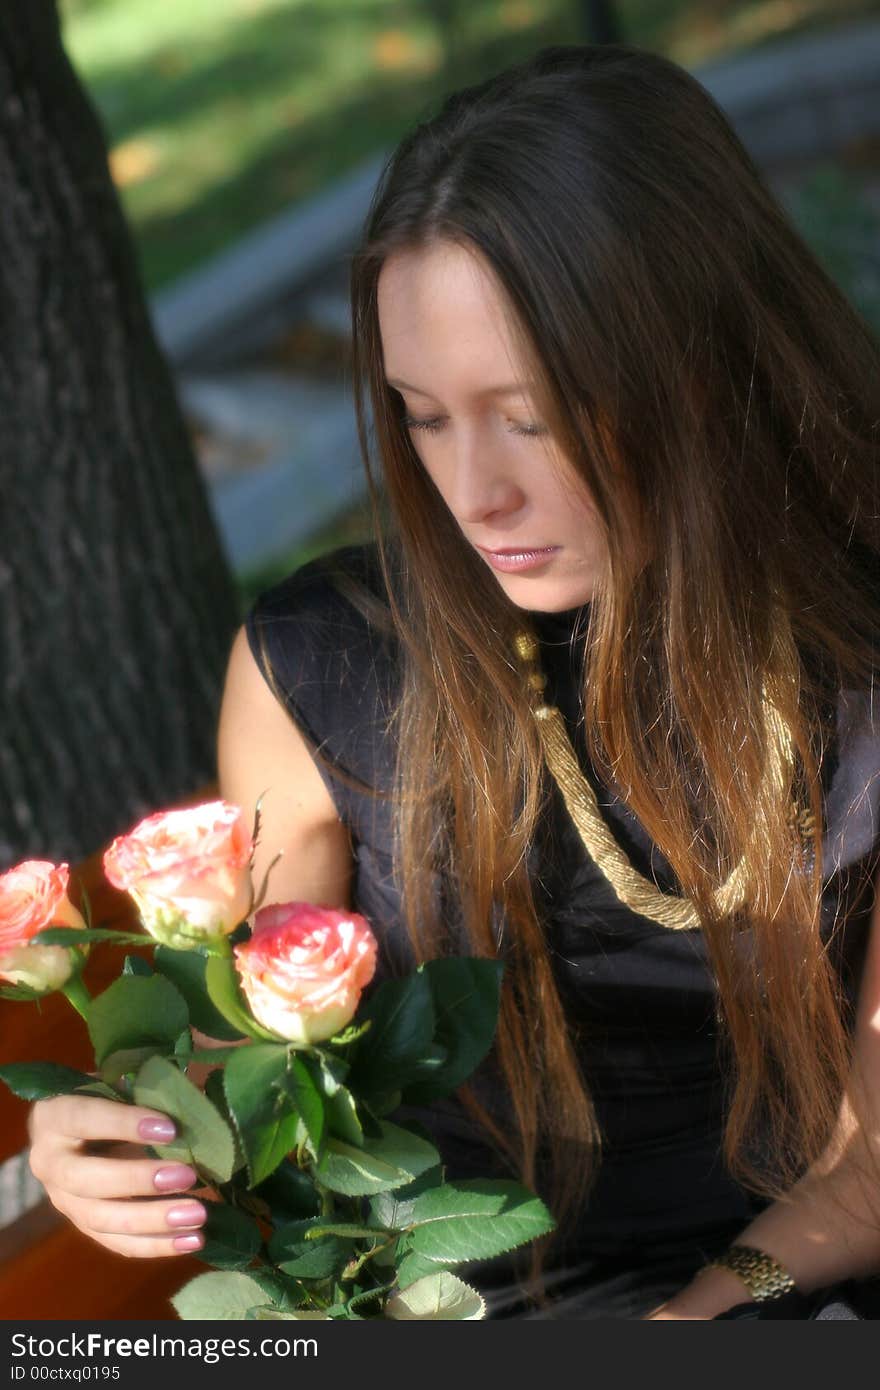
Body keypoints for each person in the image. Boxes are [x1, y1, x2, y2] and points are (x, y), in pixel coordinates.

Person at [27, 43, 880, 1319]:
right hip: (450, 1296)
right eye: (423, 414)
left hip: (797, 1270)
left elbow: (868, 1171)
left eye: (531, 414)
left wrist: (706, 1311)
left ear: (697, 368)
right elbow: (248, 1074)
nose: (475, 492)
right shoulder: (328, 667)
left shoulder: (853, 661)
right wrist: (119, 1145)